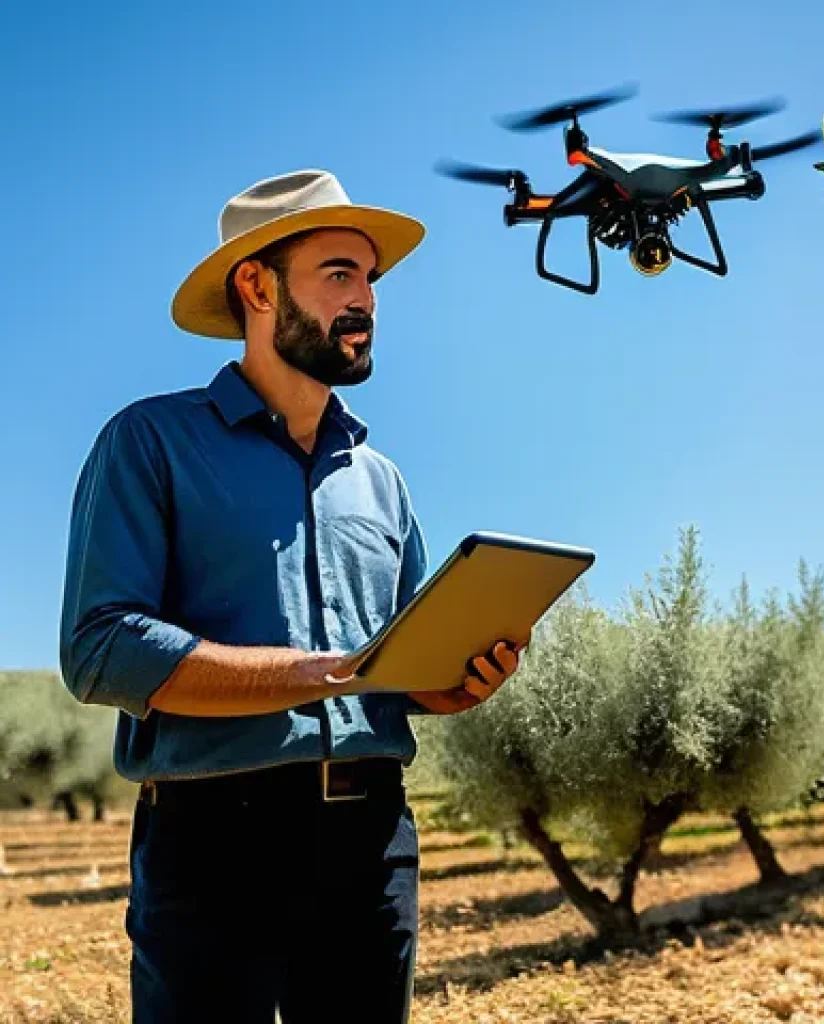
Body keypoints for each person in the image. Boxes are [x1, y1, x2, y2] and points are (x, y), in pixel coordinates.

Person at [58, 168, 522, 1023]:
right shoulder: (149, 442)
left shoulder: (382, 483)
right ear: (257, 285)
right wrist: (324, 670)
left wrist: (445, 681)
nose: (366, 302)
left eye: (371, 281)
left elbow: (388, 666)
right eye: (339, 273)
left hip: (371, 843)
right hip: (211, 844)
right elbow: (100, 648)